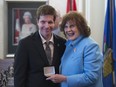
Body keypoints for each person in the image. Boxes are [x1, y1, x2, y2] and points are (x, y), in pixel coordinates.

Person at [46, 11, 103, 87]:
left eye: (72, 26)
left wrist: (65, 79)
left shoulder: (91, 46)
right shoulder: (69, 44)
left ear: (81, 27)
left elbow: (91, 77)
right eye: (66, 27)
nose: (68, 30)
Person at [14, 5, 66, 87]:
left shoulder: (62, 43)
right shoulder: (25, 44)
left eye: (50, 22)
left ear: (54, 22)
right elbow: (19, 76)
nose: (46, 26)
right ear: (37, 21)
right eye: (43, 22)